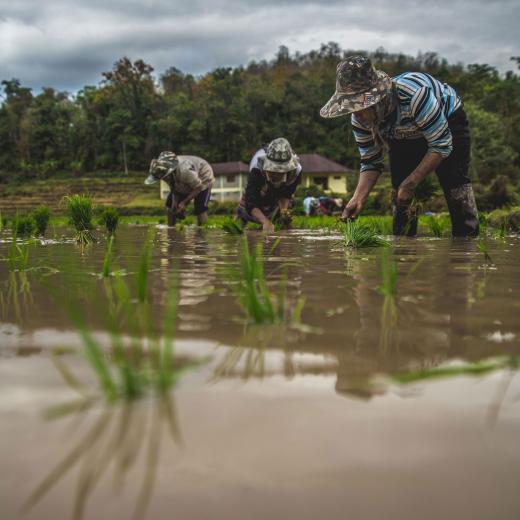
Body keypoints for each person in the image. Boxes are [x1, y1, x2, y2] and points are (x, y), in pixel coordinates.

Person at [320, 56, 479, 236]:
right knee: (399, 190)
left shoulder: (416, 96)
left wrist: (411, 184)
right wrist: (358, 198)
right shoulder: (360, 119)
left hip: (447, 120)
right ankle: (403, 251)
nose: (356, 115)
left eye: (359, 106)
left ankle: (467, 244)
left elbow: (441, 145)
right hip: (402, 132)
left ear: (376, 101)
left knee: (454, 180)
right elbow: (371, 161)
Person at [237, 138, 302, 232]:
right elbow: (251, 201)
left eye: (279, 172)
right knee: (246, 208)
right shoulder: (257, 168)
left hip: (280, 190)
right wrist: (265, 222)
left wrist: (283, 211)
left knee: (283, 218)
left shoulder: (295, 171)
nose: (275, 175)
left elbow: (286, 193)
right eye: (272, 171)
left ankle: (281, 223)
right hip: (260, 189)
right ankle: (240, 222)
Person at [144, 151, 214, 226]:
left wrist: (184, 202)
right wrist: (175, 202)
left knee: (200, 208)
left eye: (164, 177)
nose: (163, 179)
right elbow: (173, 188)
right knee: (170, 206)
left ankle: (203, 231)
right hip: (185, 179)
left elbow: (198, 187)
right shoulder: (166, 174)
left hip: (203, 176)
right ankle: (171, 229)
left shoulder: (185, 171)